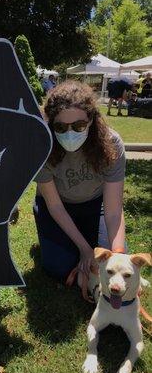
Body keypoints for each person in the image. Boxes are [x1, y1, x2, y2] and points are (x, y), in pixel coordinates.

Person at [33, 80, 126, 281]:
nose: (70, 133)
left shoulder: (111, 144)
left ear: (91, 120)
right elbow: (55, 206)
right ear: (51, 124)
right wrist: (85, 250)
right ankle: (66, 242)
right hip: (57, 208)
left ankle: (78, 241)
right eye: (60, 127)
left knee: (110, 261)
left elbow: (113, 211)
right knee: (59, 268)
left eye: (79, 125)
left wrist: (118, 254)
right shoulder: (40, 148)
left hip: (96, 206)